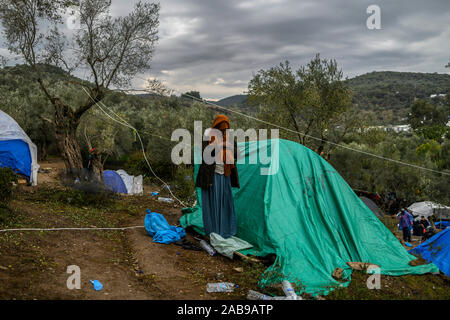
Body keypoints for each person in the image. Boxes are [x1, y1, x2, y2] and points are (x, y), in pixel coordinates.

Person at [195, 115, 240, 239]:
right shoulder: (208, 136)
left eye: (225, 129)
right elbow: (205, 154)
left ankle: (226, 231)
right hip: (211, 176)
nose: (223, 132)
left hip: (225, 175)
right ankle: (213, 232)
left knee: (225, 203)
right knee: (212, 203)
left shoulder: (229, 137)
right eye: (221, 129)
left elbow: (237, 153)